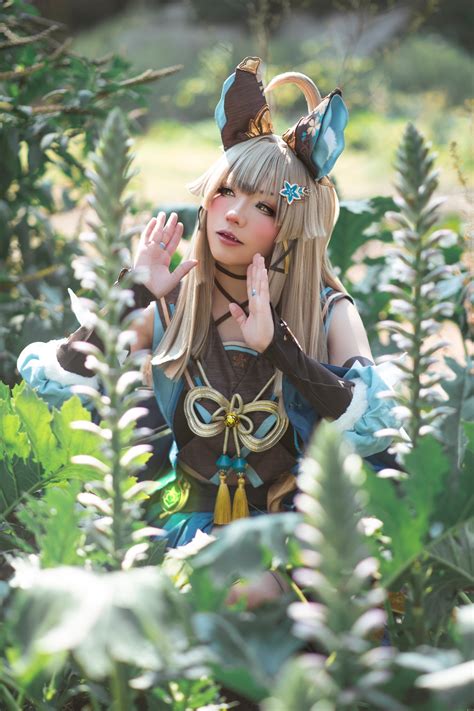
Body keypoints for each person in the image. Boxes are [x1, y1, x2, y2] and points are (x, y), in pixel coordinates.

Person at [17, 57, 399, 608]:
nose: (234, 214)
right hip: (182, 529)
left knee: (253, 592)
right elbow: (58, 387)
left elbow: (374, 425)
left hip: (297, 534)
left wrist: (282, 349)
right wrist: (132, 296)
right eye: (227, 192)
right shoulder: (172, 304)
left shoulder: (329, 312)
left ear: (293, 225)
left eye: (264, 205)